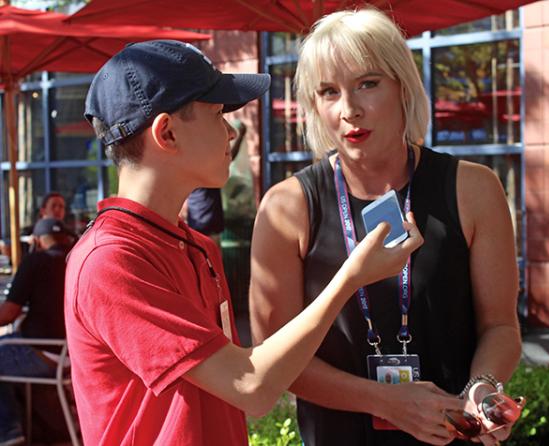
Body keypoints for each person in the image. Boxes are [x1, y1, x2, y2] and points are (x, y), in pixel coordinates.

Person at [64, 39, 424, 445]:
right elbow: (252, 387)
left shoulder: (195, 246)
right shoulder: (110, 261)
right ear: (166, 132)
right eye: (218, 114)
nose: (231, 131)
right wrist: (351, 278)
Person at [249, 8, 522, 446]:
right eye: (328, 92)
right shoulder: (286, 207)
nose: (349, 109)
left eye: (367, 83)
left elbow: (501, 327)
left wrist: (483, 389)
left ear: (402, 87)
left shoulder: (473, 189)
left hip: (453, 436)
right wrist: (383, 400)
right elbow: (275, 359)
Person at [0, 218, 72, 446]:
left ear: (39, 241)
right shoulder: (75, 258)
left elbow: (8, 314)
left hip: (43, 353)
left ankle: (9, 432)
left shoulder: (35, 261)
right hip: (72, 356)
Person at [184, 122, 247, 245]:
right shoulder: (201, 164)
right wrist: (241, 137)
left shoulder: (195, 162)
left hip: (203, 220)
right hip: (203, 222)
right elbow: (229, 158)